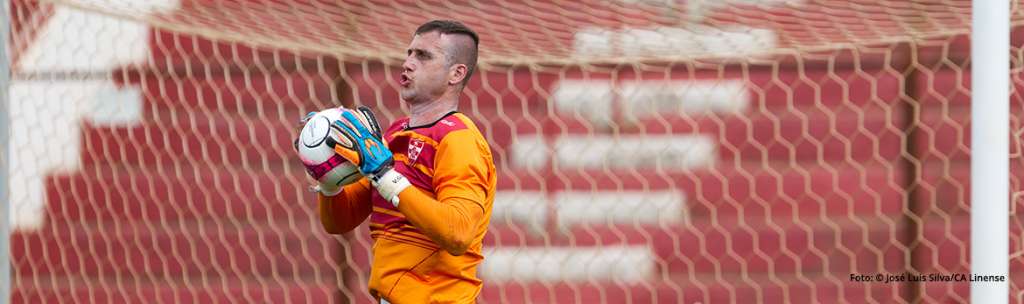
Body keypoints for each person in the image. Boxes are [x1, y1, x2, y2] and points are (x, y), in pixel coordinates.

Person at [305, 20, 495, 304]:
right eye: (409, 53)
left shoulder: (458, 139)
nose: (407, 63)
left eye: (423, 56)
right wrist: (328, 177)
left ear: (456, 74)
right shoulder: (394, 134)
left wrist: (386, 177)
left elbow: (459, 233)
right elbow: (340, 222)